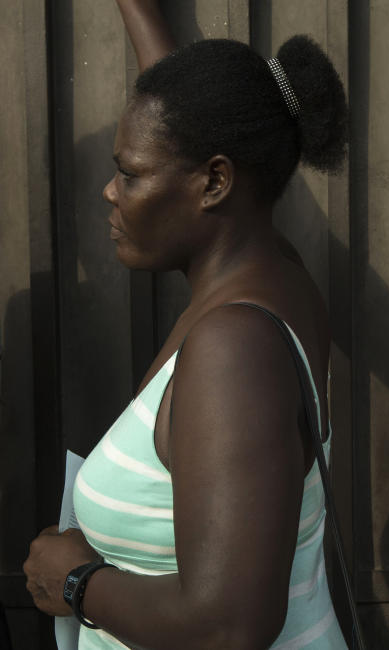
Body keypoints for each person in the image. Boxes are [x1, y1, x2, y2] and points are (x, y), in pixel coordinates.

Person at [22, 1, 351, 648]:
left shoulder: (234, 350)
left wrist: (77, 582)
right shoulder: (270, 274)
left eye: (130, 174)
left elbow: (231, 625)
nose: (111, 192)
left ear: (215, 182)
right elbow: (183, 129)